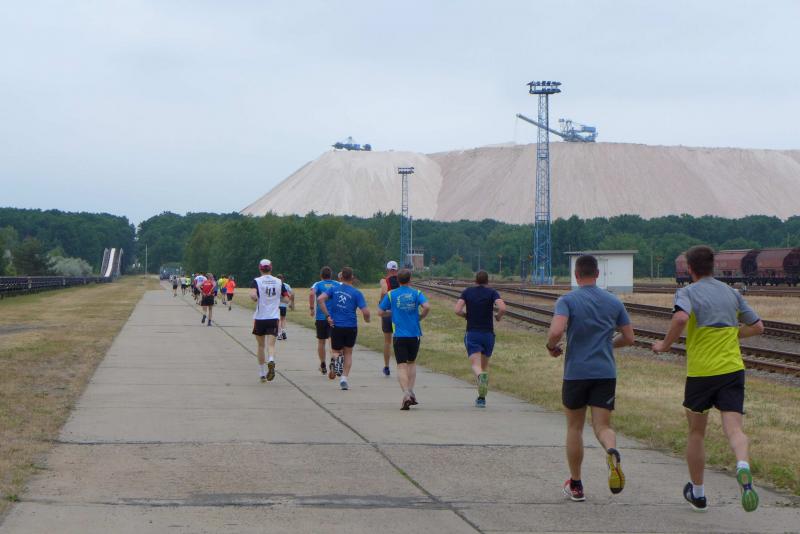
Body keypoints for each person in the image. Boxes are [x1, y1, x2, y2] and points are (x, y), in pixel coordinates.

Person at [652, 245, 764, 513]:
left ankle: (699, 493)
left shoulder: (687, 292)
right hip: (732, 370)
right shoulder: (732, 293)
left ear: (689, 269)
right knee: (734, 429)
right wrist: (733, 333)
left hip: (701, 373)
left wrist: (665, 345)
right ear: (712, 266)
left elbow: (680, 318)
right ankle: (742, 465)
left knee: (696, 433)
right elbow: (758, 326)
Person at [546, 255, 635, 502]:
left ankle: (576, 485)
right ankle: (611, 450)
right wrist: (609, 344)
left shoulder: (567, 300)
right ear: (597, 274)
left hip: (576, 373)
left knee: (575, 427)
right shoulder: (613, 301)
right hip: (605, 372)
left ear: (576, 275)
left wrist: (551, 346)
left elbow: (556, 330)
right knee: (603, 426)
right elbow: (629, 337)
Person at [378, 268, 430, 410]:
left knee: (401, 365)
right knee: (411, 363)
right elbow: (427, 306)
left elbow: (380, 312)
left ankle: (406, 393)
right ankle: (411, 391)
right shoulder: (417, 293)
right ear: (410, 279)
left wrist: (392, 313)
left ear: (398, 280)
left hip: (399, 335)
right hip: (414, 334)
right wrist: (421, 317)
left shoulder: (391, 294)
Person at [453, 271, 506, 408]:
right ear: (487, 281)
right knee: (484, 367)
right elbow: (502, 307)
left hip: (473, 333)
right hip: (488, 334)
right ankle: (481, 398)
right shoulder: (492, 292)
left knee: (477, 367)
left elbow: (457, 310)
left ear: (475, 280)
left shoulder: (467, 292)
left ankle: (481, 386)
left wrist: (465, 315)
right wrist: (498, 317)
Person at [318, 266, 370, 390]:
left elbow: (320, 299)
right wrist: (367, 319)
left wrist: (327, 316)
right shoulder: (356, 293)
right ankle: (344, 379)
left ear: (341, 277)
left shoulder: (334, 289)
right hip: (351, 327)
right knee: (348, 352)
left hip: (336, 326)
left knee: (336, 351)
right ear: (352, 277)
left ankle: (335, 360)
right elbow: (366, 312)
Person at [249, 259, 288, 383]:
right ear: (271, 268)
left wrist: (255, 298)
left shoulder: (256, 281)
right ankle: (271, 360)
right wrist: (277, 298)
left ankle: (262, 373)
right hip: (273, 317)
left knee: (261, 346)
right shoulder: (279, 282)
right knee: (271, 345)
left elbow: (253, 295)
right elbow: (286, 299)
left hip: (260, 317)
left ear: (260, 268)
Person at [309, 266, 339, 376]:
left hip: (321, 317)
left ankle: (322, 364)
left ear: (321, 275)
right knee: (332, 341)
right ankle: (333, 361)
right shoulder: (337, 284)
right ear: (331, 275)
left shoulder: (317, 284)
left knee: (321, 342)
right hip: (333, 317)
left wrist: (312, 308)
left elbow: (312, 294)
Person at [379, 261, 400, 376]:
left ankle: (386, 367)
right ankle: (401, 365)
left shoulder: (384, 280)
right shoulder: (402, 280)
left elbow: (384, 291)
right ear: (397, 270)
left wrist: (382, 302)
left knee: (387, 341)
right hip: (399, 313)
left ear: (387, 270)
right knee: (400, 339)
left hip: (388, 312)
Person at [277, 274, 294, 340]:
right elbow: (292, 293)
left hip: (277, 305)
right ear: (283, 279)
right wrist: (290, 301)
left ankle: (279, 334)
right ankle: (283, 331)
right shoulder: (287, 285)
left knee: (278, 320)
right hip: (284, 305)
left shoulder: (275, 285)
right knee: (283, 319)